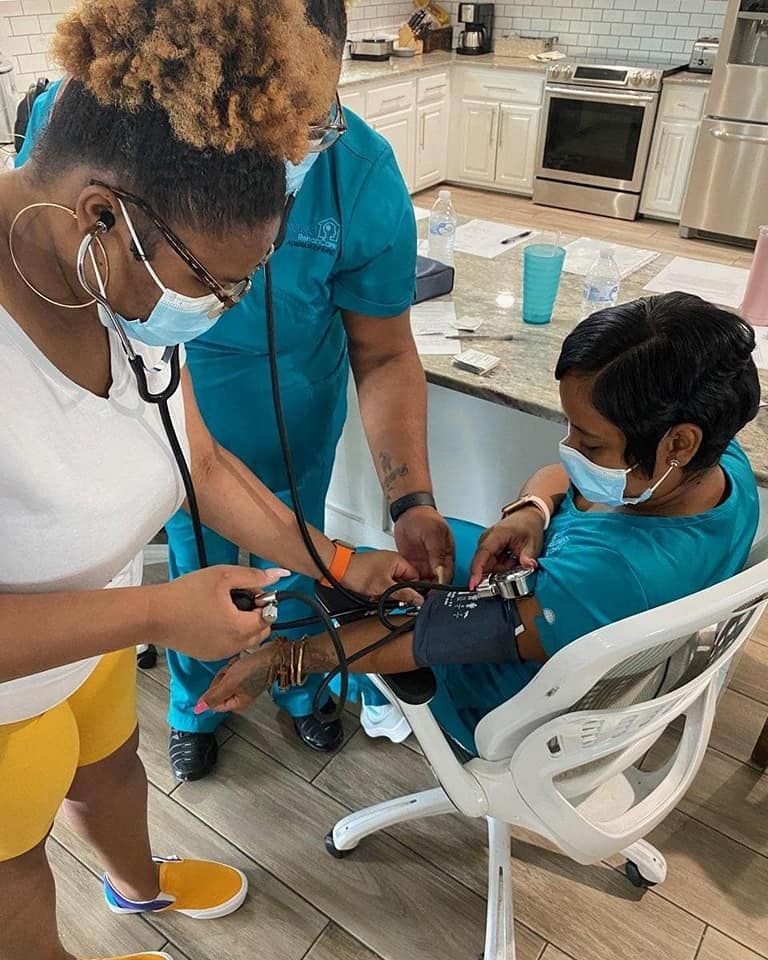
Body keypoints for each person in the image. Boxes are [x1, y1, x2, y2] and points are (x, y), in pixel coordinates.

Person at [0, 2, 418, 959]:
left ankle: (137, 892)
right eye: (213, 289)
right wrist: (153, 618)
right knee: (15, 870)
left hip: (90, 629)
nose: (220, 313)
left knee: (109, 769)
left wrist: (339, 561)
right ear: (102, 214)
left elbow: (204, 462)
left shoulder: (107, 273)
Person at [198, 293, 761, 756]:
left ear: (677, 442)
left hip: (508, 699)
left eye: (589, 443)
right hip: (556, 619)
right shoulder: (720, 468)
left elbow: (434, 637)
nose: (568, 452)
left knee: (379, 597)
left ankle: (378, 705)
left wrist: (285, 660)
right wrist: (532, 511)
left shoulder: (609, 573)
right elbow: (559, 479)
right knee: (402, 560)